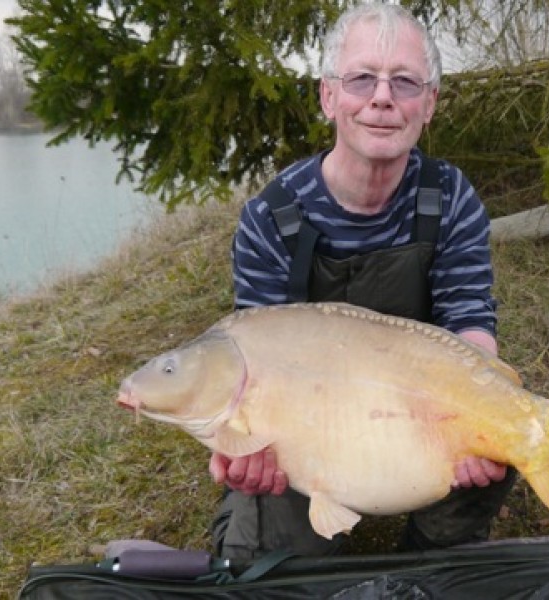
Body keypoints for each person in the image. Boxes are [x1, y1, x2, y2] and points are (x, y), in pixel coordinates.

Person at [211, 2, 515, 560]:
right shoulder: (271, 217)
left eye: (404, 82)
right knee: (274, 548)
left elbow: (470, 325)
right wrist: (243, 442)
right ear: (329, 97)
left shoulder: (449, 199)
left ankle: (430, 554)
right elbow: (255, 359)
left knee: (504, 438)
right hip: (311, 423)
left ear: (429, 104)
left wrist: (487, 407)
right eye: (361, 79)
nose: (382, 97)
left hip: (416, 413)